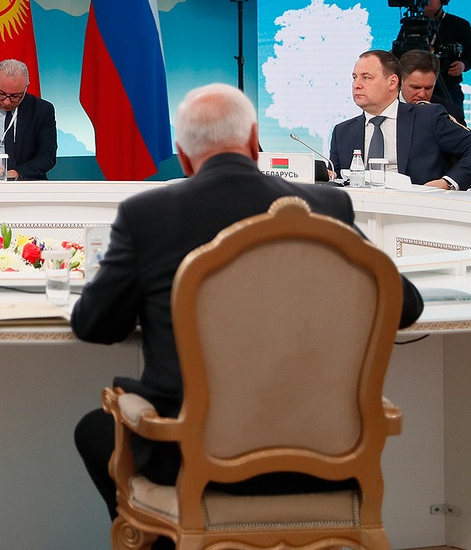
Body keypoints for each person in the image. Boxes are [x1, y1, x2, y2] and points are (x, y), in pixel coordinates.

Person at [70, 84, 424, 546]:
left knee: (95, 430)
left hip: (193, 460)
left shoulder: (148, 215)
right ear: (255, 139)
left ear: (182, 154)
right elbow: (406, 306)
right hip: (327, 458)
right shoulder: (326, 207)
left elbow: (95, 325)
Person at [329, 50, 471, 190]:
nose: (356, 85)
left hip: (416, 208)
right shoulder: (342, 132)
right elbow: (335, 177)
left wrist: (447, 182)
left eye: (366, 78)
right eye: (355, 78)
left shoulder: (428, 117)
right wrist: (327, 175)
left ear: (392, 82)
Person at [424, 0, 471, 125]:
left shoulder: (459, 24)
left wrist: (463, 64)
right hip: (418, 88)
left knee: (454, 126)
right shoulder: (411, 25)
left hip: (447, 86)